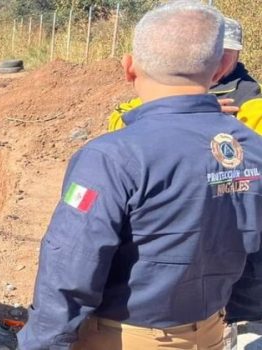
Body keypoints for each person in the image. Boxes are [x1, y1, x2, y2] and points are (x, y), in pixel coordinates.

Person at [17, 2, 262, 349]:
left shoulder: (110, 157)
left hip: (125, 339)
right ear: (222, 67)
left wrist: (41, 343)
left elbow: (70, 267)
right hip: (212, 334)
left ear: (129, 67)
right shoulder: (253, 148)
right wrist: (240, 312)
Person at [108, 17, 262, 134]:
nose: (217, 60)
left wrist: (216, 123)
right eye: (210, 51)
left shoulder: (251, 96)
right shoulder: (177, 83)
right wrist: (174, 114)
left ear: (237, 54)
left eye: (225, 52)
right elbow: (117, 121)